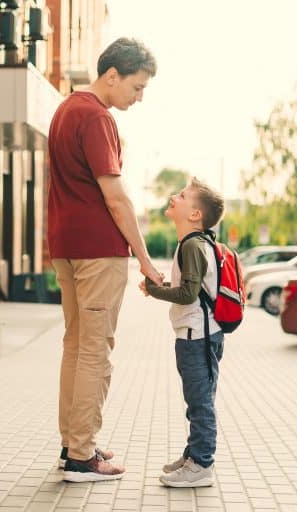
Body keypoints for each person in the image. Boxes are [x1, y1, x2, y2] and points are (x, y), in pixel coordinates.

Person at [47, 37, 162, 483]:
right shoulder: (96, 117)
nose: (139, 97)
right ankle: (82, 457)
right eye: (137, 87)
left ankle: (73, 443)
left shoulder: (64, 110)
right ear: (112, 76)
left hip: (67, 249)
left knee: (76, 349)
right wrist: (146, 260)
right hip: (98, 253)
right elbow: (116, 197)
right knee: (95, 353)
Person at [140, 178, 225, 488]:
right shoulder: (197, 242)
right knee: (198, 399)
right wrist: (160, 289)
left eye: (182, 195)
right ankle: (194, 455)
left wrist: (154, 289)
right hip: (201, 334)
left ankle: (201, 465)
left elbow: (188, 294)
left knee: (200, 402)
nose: (174, 197)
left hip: (197, 336)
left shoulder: (192, 244)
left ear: (195, 215)